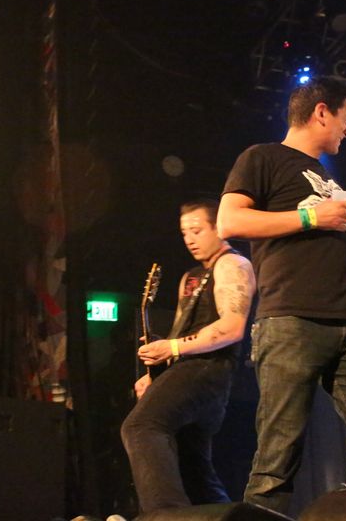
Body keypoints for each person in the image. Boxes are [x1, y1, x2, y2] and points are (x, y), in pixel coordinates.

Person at [217, 77, 346, 514]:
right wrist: (311, 217)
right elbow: (229, 222)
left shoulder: (324, 173)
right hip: (290, 321)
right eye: (344, 118)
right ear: (321, 112)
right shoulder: (262, 157)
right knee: (277, 461)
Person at [120, 199, 256, 514]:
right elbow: (180, 333)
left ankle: (165, 514)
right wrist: (160, 367)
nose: (189, 239)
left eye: (196, 230)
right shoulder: (191, 277)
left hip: (209, 370)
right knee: (192, 466)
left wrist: (174, 348)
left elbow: (232, 326)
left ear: (218, 228)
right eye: (184, 233)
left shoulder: (233, 264)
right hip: (189, 368)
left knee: (141, 426)